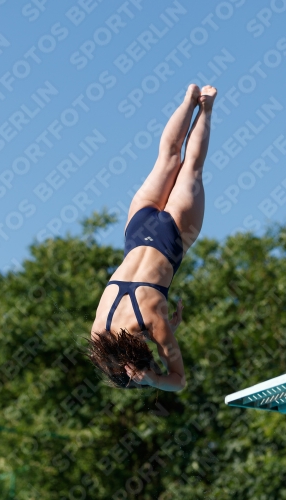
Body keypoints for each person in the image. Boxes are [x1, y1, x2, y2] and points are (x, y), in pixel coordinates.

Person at [89, 84, 217, 391]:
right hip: (137, 230)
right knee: (168, 157)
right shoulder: (98, 330)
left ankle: (207, 107)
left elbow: (179, 382)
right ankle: (188, 100)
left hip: (173, 235)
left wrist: (156, 379)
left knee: (192, 168)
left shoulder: (155, 322)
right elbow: (121, 344)